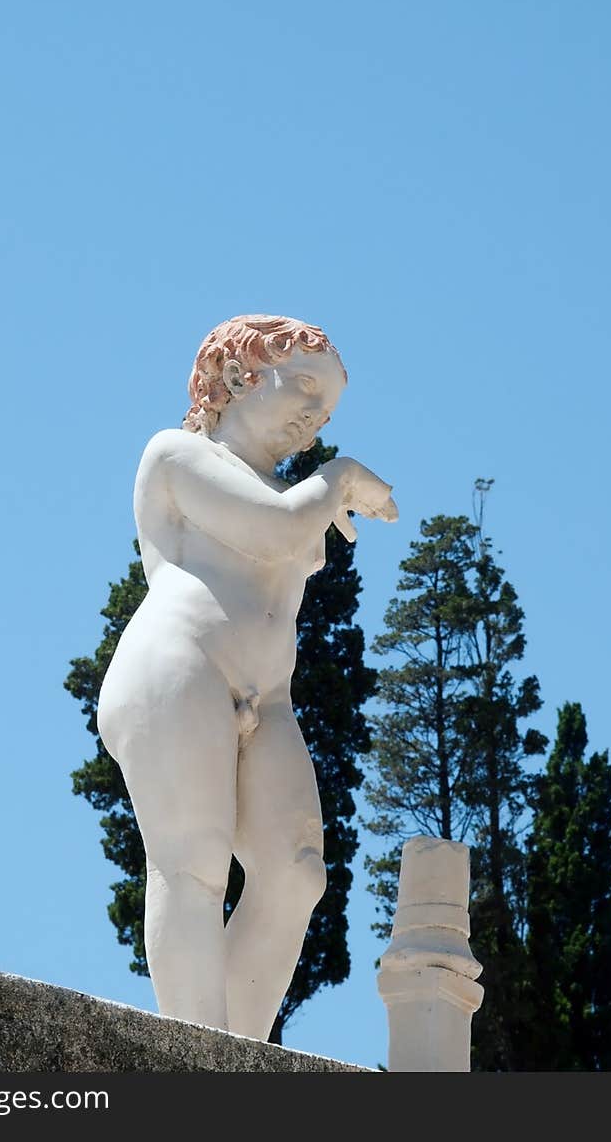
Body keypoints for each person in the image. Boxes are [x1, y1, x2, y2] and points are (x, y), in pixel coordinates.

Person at [97, 314, 397, 1041]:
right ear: (237, 376)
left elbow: (287, 527)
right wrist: (340, 478)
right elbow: (272, 528)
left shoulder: (299, 494)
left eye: (324, 411)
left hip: (268, 694)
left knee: (297, 873)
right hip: (178, 667)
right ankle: (199, 1060)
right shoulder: (176, 455)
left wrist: (321, 495)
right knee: (194, 862)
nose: (312, 416)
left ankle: (234, 1055)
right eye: (301, 386)